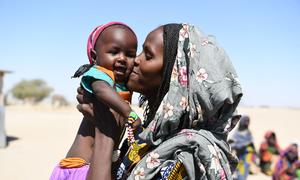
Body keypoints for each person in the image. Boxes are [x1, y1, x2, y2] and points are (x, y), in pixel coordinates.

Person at [78, 23, 243, 179]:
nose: (135, 60)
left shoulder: (187, 156)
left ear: (176, 78)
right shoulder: (147, 138)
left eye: (147, 55)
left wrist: (105, 136)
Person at [50, 22, 141, 180]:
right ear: (94, 56)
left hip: (93, 165)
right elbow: (101, 90)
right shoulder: (99, 74)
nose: (122, 59)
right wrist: (129, 113)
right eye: (114, 52)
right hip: (78, 166)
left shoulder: (121, 84)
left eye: (130, 54)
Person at [228, 115, 259, 179]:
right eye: (245, 121)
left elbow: (251, 143)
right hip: (238, 153)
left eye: (248, 121)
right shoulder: (237, 132)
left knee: (243, 170)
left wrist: (255, 155)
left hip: (247, 154)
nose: (246, 123)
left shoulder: (248, 132)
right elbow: (232, 142)